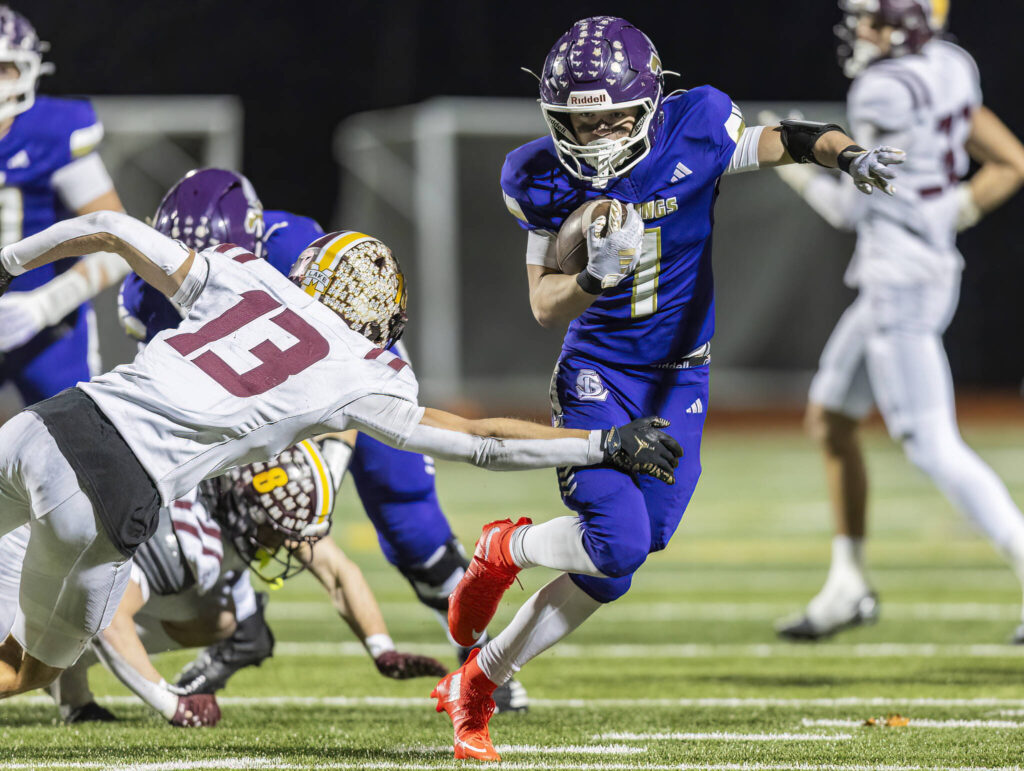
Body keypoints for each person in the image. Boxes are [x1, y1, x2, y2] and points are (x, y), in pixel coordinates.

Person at [432, 15, 905, 761]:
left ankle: (483, 645)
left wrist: (851, 156)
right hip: (599, 373)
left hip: (682, 373)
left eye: (606, 121)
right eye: (573, 123)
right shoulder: (539, 175)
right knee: (614, 543)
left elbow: (791, 136)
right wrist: (592, 276)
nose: (588, 140)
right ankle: (498, 595)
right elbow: (543, 303)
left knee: (626, 557)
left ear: (648, 106)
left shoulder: (698, 125)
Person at [0, 205, 681, 700]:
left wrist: (9, 264)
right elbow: (482, 442)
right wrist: (601, 444)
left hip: (47, 420)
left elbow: (113, 230)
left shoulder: (246, 274)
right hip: (108, 491)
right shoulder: (360, 371)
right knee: (26, 670)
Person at [120, 168, 527, 712]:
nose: (205, 274)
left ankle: (484, 660)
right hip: (250, 402)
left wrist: (324, 471)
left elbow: (351, 363)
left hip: (351, 375)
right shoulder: (149, 289)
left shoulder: (295, 249)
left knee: (411, 523)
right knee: (229, 509)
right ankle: (240, 624)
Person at [769, 0, 1024, 641]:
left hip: (898, 281)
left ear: (903, 22)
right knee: (830, 419)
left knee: (933, 444)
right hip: (918, 266)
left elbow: (851, 209)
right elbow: (1003, 155)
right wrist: (953, 210)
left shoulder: (880, 88)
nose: (859, 30)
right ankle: (847, 585)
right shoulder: (952, 62)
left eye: (871, 19)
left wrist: (793, 164)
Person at [0, 439, 447, 726]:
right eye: (282, 530)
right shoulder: (189, 540)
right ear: (251, 511)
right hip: (22, 552)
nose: (290, 546)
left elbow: (337, 571)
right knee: (24, 672)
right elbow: (107, 617)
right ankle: (69, 692)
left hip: (49, 545)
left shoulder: (243, 498)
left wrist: (380, 648)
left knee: (222, 620)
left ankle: (72, 698)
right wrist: (170, 703)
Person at [0, 6, 127, 404]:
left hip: (48, 329)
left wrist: (45, 305)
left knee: (77, 454)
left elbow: (121, 242)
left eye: (4, 68)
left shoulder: (51, 132)